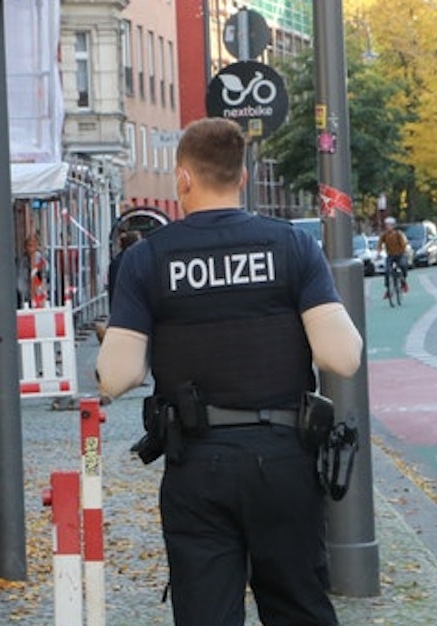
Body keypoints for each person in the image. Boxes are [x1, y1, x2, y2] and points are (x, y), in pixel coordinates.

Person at [95, 118, 364, 626]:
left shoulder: (147, 259)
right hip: (283, 459)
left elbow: (116, 376)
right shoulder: (291, 246)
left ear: (183, 178)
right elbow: (343, 357)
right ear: (242, 178)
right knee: (300, 610)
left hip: (198, 462)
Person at [377, 217, 409, 294]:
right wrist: (378, 253)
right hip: (390, 255)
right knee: (387, 270)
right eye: (386, 225)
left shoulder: (398, 234)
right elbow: (380, 244)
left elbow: (403, 244)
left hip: (400, 254)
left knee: (403, 265)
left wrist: (403, 250)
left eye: (389, 225)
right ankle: (388, 289)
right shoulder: (384, 235)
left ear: (393, 226)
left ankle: (403, 281)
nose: (388, 227)